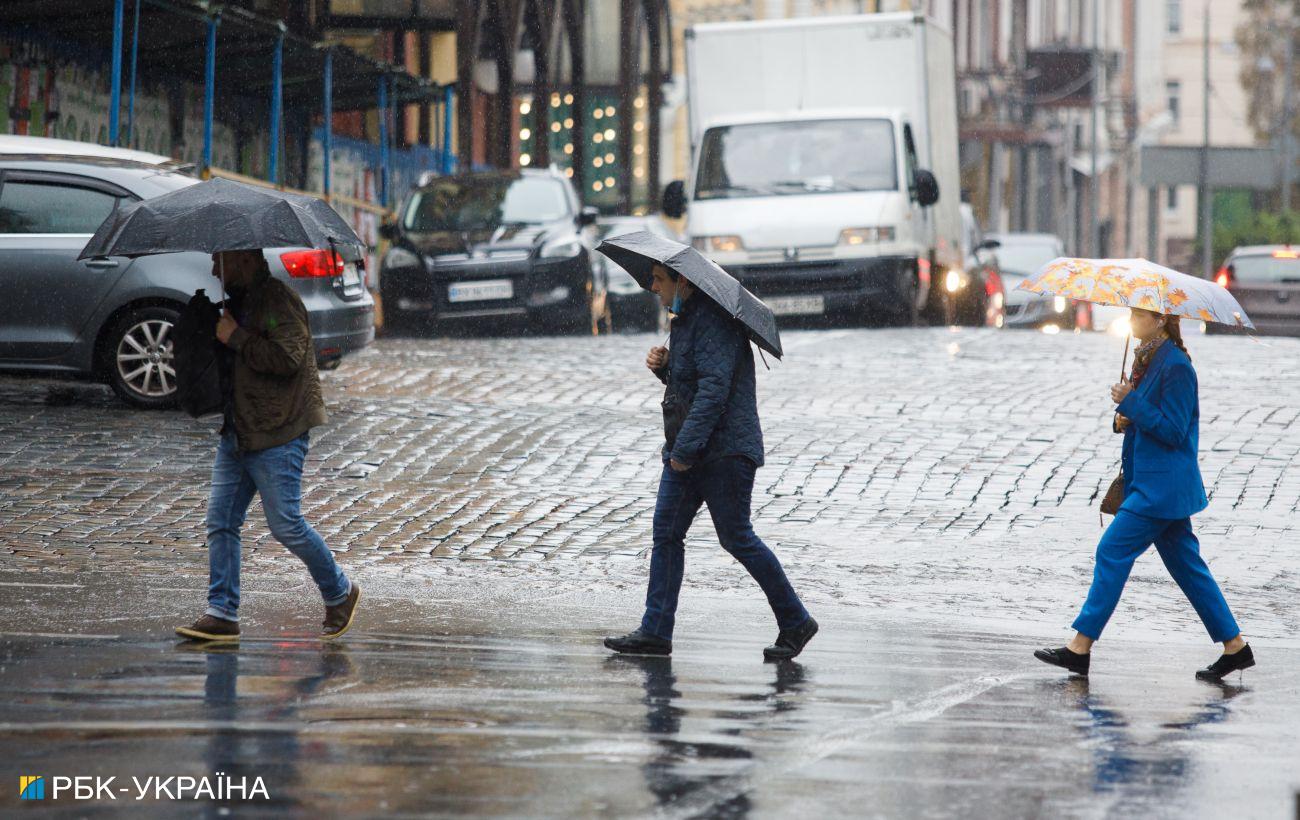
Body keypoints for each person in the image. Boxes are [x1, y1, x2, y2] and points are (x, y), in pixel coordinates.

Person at [604, 264, 817, 660]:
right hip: (691, 449)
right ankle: (655, 631)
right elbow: (692, 384)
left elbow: (714, 394)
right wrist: (665, 368)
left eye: (658, 278)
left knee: (736, 537)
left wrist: (684, 453)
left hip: (723, 452)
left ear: (682, 280)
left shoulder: (714, 322)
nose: (652, 286)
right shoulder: (685, 319)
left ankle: (795, 620)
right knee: (666, 534)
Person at [1035, 307, 1252, 680]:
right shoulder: (1148, 360)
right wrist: (1123, 418)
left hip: (1161, 489)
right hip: (1151, 483)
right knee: (1189, 568)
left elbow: (1175, 431)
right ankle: (1235, 647)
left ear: (1160, 320)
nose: (1132, 321)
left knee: (1112, 550)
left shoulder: (1177, 366)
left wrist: (1132, 403)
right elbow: (1146, 419)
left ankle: (1080, 648)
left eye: (1138, 315)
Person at [175, 249, 360, 643]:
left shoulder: (276, 300)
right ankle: (222, 612)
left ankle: (340, 591)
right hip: (240, 429)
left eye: (218, 261)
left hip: (278, 429)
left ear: (241, 261)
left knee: (286, 525)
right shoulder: (241, 299)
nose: (212, 269)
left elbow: (287, 357)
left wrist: (236, 336)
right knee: (221, 520)